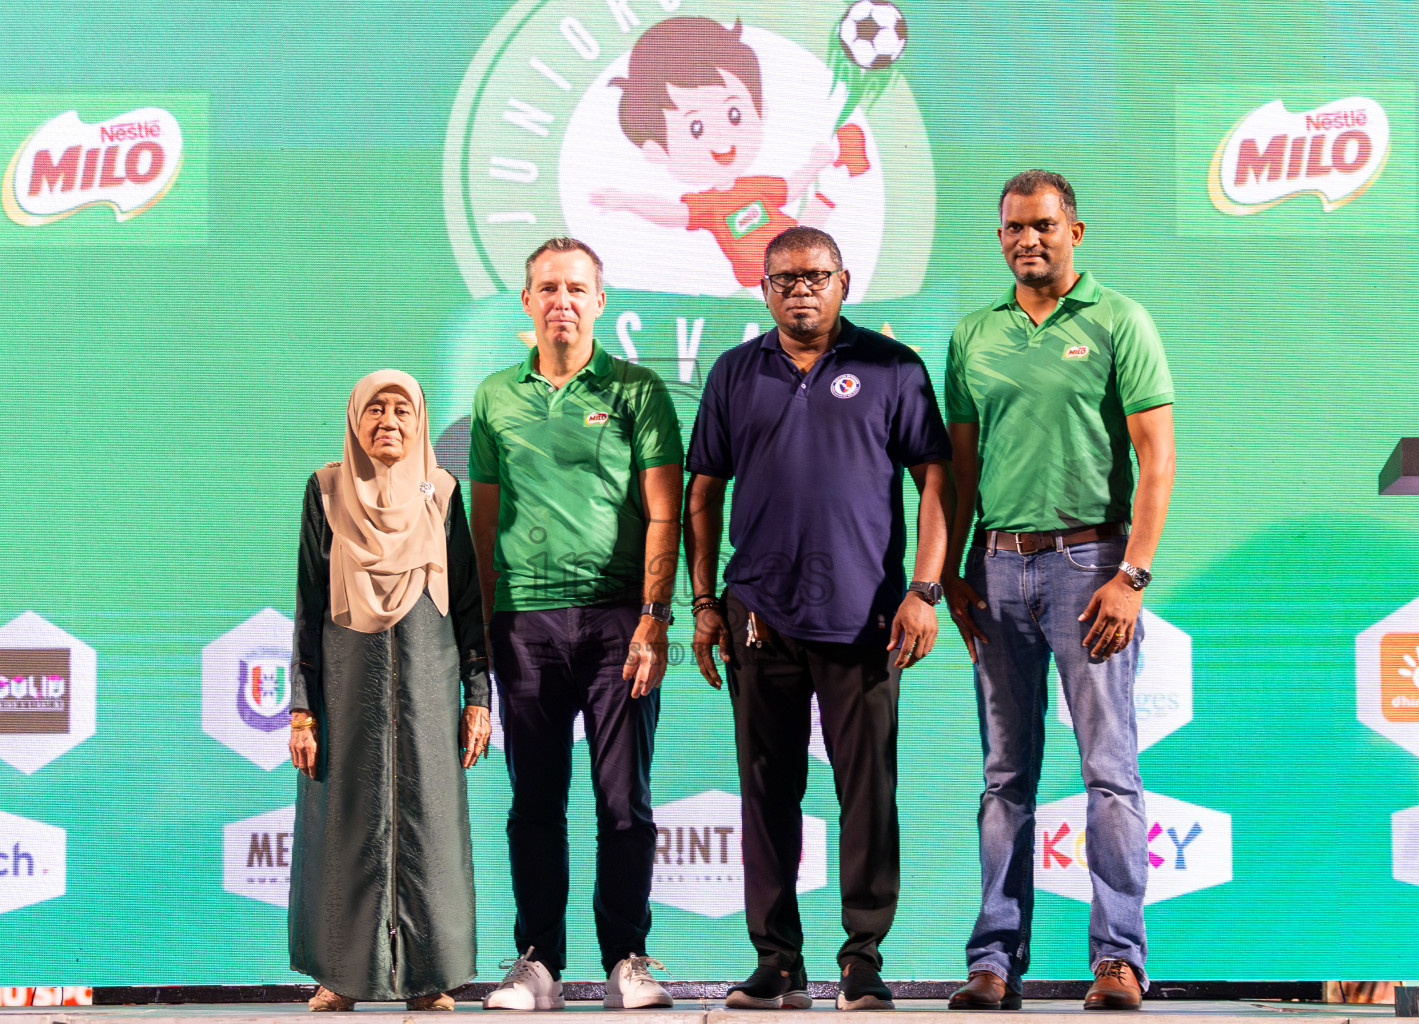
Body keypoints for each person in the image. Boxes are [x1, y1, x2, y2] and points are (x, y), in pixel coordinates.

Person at [684, 226, 952, 1011]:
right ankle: (779, 961)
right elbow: (702, 497)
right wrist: (704, 605)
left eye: (816, 276)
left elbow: (935, 481)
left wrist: (925, 591)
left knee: (867, 792)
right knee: (766, 793)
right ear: (763, 290)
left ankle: (863, 960)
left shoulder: (892, 367)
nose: (801, 289)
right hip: (758, 613)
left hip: (868, 615)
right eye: (784, 279)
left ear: (845, 280)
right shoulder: (736, 372)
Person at [941, 171, 1175, 1013]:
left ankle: (1119, 959)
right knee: (1005, 777)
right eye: (1011, 228)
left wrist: (1131, 576)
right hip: (998, 571)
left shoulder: (1119, 320)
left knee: (1109, 774)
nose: (1025, 240)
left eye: (1042, 225)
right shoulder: (975, 334)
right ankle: (994, 962)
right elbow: (960, 472)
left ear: (1077, 229)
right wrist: (955, 572)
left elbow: (1158, 458)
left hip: (1091, 568)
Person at [470, 238, 684, 1010]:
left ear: (600, 302)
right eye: (548, 287)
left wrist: (656, 620)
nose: (563, 300)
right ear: (527, 303)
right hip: (523, 622)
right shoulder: (496, 397)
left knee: (623, 800)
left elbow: (665, 512)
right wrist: (480, 635)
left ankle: (628, 959)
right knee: (535, 802)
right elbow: (483, 523)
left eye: (578, 288)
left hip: (620, 619)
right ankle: (537, 963)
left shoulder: (637, 390)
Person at [287, 370, 493, 1012]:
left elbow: (466, 602)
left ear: (420, 422)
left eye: (402, 410)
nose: (389, 422)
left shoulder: (443, 493)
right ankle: (342, 975)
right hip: (346, 691)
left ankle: (431, 976)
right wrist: (301, 707)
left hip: (429, 689)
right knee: (344, 825)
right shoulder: (325, 491)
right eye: (374, 409)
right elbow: (306, 603)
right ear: (354, 420)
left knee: (428, 825)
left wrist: (479, 694)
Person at [591, 16, 870, 289]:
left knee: (799, 234)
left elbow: (791, 189)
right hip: (759, 270)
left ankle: (836, 183)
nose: (720, 136)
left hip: (789, 244)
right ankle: (832, 188)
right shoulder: (708, 206)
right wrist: (627, 201)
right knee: (794, 248)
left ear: (760, 111)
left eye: (734, 114)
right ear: (657, 152)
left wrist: (814, 164)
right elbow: (671, 213)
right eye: (696, 127)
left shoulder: (755, 185)